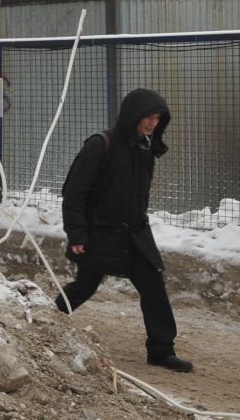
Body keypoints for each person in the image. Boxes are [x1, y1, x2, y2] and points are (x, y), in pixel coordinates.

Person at [55, 87, 191, 372]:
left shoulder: (145, 146)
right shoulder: (100, 145)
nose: (152, 124)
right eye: (148, 117)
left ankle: (161, 350)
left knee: (153, 285)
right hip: (100, 233)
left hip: (135, 234)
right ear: (132, 115)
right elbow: (74, 192)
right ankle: (46, 321)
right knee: (85, 286)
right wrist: (78, 233)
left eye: (157, 118)